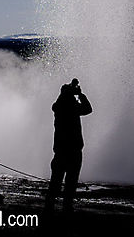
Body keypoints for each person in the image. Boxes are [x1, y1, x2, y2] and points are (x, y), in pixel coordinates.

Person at [45, 78, 92, 212]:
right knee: (70, 181)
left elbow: (62, 103)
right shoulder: (70, 108)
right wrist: (80, 95)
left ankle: (50, 206)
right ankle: (66, 206)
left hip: (61, 151)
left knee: (56, 180)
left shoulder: (59, 107)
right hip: (73, 151)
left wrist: (70, 92)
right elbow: (88, 109)